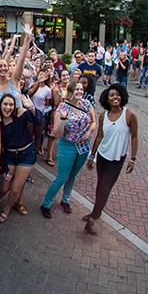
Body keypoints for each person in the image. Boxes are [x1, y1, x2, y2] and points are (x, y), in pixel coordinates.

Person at [84, 83, 139, 235]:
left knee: (105, 190)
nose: (116, 97)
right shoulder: (103, 116)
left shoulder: (129, 115)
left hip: (117, 159)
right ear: (107, 100)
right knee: (100, 186)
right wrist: (92, 156)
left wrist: (132, 159)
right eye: (112, 95)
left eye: (118, 94)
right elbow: (99, 136)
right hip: (102, 156)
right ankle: (97, 211)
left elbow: (134, 137)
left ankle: (92, 220)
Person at [40, 79, 97, 219]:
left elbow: (94, 121)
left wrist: (89, 132)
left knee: (73, 176)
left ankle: (65, 200)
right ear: (70, 91)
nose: (79, 92)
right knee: (62, 177)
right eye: (76, 89)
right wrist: (63, 120)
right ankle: (45, 204)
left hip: (83, 147)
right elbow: (57, 134)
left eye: (81, 90)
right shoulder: (62, 108)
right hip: (67, 146)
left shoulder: (87, 104)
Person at [0, 94, 44, 223]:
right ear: (0, 105)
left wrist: (31, 107)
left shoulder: (21, 114)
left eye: (11, 104)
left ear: (15, 106)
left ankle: (7, 209)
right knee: (4, 187)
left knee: (15, 189)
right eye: (5, 104)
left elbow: (39, 121)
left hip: (26, 155)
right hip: (9, 156)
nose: (8, 107)